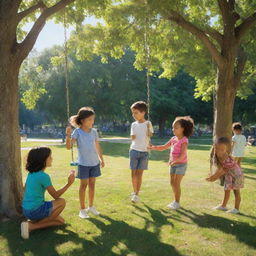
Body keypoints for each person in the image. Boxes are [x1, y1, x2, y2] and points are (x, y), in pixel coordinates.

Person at [21, 147, 75, 239]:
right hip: (35, 211)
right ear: (43, 160)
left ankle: (30, 224)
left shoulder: (31, 173)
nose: (52, 158)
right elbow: (56, 196)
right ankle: (32, 226)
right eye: (49, 157)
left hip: (26, 210)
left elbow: (24, 188)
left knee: (60, 221)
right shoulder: (43, 176)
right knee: (61, 202)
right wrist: (68, 183)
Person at [66, 107, 104, 218]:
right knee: (83, 186)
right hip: (83, 164)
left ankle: (91, 207)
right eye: (90, 120)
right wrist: (68, 135)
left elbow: (97, 146)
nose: (92, 122)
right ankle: (82, 210)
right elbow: (69, 147)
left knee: (92, 185)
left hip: (94, 163)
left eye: (93, 119)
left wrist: (101, 159)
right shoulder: (77, 132)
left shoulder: (94, 132)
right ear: (82, 120)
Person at [150, 116, 194, 210]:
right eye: (173, 127)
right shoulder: (173, 138)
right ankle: (175, 201)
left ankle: (177, 202)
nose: (173, 129)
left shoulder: (184, 140)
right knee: (172, 183)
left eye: (176, 127)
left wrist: (175, 161)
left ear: (183, 129)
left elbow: (182, 155)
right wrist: (153, 147)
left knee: (176, 183)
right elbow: (163, 147)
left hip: (181, 165)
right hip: (173, 164)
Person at [206, 137, 244, 214]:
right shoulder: (218, 156)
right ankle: (223, 206)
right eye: (217, 148)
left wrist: (213, 178)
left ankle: (236, 209)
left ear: (226, 149)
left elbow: (221, 171)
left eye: (222, 149)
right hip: (229, 175)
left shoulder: (227, 159)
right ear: (214, 147)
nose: (219, 151)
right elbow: (219, 169)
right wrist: (213, 175)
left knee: (236, 192)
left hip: (236, 176)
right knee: (226, 190)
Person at [129, 101, 153, 203]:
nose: (133, 115)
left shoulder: (148, 123)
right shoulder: (133, 124)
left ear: (143, 112)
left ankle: (136, 193)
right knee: (133, 174)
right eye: (133, 113)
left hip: (144, 153)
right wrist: (133, 136)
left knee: (139, 174)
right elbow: (132, 137)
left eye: (136, 113)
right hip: (134, 151)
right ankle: (134, 191)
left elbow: (150, 135)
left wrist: (147, 128)